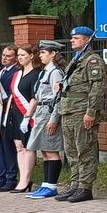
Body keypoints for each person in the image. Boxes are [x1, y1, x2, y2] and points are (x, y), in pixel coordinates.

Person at [56, 27, 107, 203]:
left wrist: (91, 112)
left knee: (85, 150)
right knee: (71, 151)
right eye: (72, 38)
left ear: (86, 40)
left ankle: (85, 187)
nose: (72, 40)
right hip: (68, 110)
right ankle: (75, 184)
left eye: (76, 38)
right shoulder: (76, 60)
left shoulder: (93, 61)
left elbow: (97, 88)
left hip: (81, 111)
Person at [24, 40, 67, 199]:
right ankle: (46, 184)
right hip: (41, 113)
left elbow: (58, 97)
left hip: (49, 114)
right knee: (44, 151)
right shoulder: (45, 71)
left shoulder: (55, 72)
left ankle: (51, 186)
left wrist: (53, 120)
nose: (40, 55)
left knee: (51, 150)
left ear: (53, 54)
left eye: (43, 52)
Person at [8, 45, 41, 194]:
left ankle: (26, 180)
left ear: (31, 56)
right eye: (19, 55)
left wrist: (27, 116)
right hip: (16, 114)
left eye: (23, 55)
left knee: (28, 147)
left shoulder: (36, 74)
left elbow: (34, 98)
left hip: (28, 114)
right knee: (19, 147)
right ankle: (21, 179)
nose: (20, 57)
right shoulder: (17, 74)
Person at [0, 46, 19, 191]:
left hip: (8, 112)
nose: (4, 58)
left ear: (15, 58)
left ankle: (10, 178)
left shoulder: (16, 72)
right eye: (4, 55)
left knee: (8, 146)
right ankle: (0, 178)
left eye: (8, 56)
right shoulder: (0, 72)